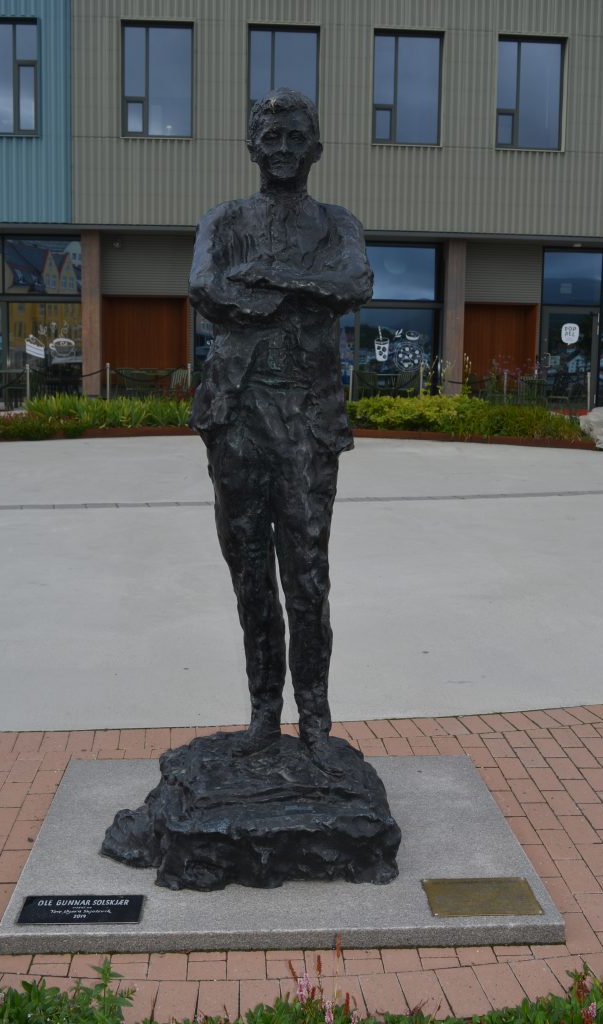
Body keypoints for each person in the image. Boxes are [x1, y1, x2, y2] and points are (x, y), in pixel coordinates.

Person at [189, 88, 373, 769]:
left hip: (307, 419)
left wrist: (271, 276)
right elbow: (207, 289)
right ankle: (264, 713)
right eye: (273, 137)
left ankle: (315, 719)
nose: (285, 148)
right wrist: (293, 291)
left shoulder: (337, 224)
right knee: (249, 574)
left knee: (308, 575)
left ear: (316, 147)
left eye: (298, 137)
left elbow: (354, 284)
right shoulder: (224, 220)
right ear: (252, 146)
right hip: (235, 414)